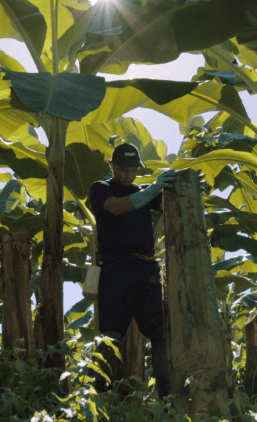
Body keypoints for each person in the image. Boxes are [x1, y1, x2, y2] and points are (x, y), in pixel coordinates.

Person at [88, 142, 176, 397]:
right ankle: (100, 397)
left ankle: (167, 397)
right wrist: (153, 189)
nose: (128, 174)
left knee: (160, 334)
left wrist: (183, 185)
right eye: (123, 169)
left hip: (146, 272)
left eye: (134, 169)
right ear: (112, 166)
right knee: (110, 337)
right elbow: (116, 207)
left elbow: (167, 201)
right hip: (115, 273)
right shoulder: (101, 189)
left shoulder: (144, 191)